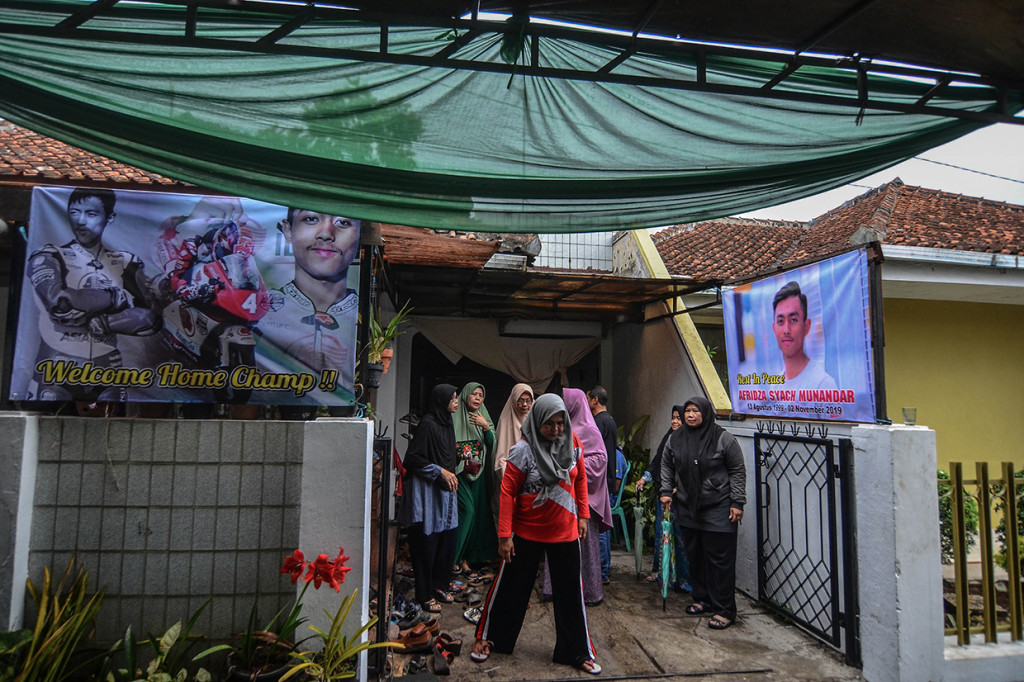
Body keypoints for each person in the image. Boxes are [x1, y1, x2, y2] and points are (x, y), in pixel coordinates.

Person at [470, 394, 601, 675]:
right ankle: (492, 638)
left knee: (570, 595)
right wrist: (505, 535)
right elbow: (507, 492)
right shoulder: (523, 450)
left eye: (560, 423)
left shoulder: (573, 443)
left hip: (564, 532)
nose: (555, 430)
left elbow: (580, 480)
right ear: (536, 421)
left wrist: (584, 515)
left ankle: (577, 651)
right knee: (511, 589)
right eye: (548, 424)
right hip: (526, 532)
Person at [27, 187, 161, 403]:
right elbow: (60, 303)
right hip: (56, 367)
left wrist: (107, 322)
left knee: (116, 433)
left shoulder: (126, 262)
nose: (81, 221)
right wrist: (115, 298)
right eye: (74, 212)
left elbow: (150, 319)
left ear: (110, 217)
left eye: (91, 214)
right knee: (46, 428)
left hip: (108, 368)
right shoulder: (49, 255)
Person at [256, 208, 362, 407]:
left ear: (359, 234)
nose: (326, 234)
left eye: (343, 223)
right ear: (288, 230)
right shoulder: (260, 312)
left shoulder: (364, 317)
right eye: (311, 219)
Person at [660, 396, 745, 630]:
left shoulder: (722, 438)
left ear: (706, 413)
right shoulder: (675, 438)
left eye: (696, 411)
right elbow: (667, 464)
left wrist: (737, 501)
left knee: (719, 561)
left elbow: (737, 469)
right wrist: (666, 490)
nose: (690, 415)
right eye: (687, 411)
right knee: (695, 556)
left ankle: (725, 609)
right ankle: (703, 599)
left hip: (718, 507)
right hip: (688, 507)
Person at [543, 388, 612, 606]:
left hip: (582, 502)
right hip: (559, 500)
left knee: (584, 547)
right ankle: (554, 589)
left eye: (565, 402)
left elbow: (600, 460)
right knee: (556, 545)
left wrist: (569, 466)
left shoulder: (589, 429)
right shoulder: (560, 428)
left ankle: (589, 592)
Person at [397, 384, 460, 613]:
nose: (455, 401)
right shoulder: (428, 424)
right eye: (452, 398)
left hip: (446, 493)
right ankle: (424, 594)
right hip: (427, 495)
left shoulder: (447, 422)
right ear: (441, 400)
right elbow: (412, 459)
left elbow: (446, 454)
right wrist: (440, 471)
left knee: (447, 541)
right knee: (427, 544)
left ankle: (440, 586)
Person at [636, 405, 690, 590]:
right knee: (662, 537)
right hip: (664, 496)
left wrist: (679, 488)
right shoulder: (669, 438)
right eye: (673, 417)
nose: (675, 421)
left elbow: (692, 471)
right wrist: (645, 478)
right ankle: (662, 575)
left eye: (679, 418)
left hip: (681, 502)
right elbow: (658, 462)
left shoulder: (690, 442)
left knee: (679, 540)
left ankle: (682, 580)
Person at [452, 382, 498, 578]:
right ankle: (453, 559)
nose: (478, 398)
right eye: (474, 394)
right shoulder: (454, 415)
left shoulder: (483, 416)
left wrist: (486, 428)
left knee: (477, 516)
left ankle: (468, 559)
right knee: (467, 513)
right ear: (466, 396)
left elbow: (493, 443)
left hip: (478, 473)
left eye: (481, 395)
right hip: (460, 473)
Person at [772, 281, 837, 391]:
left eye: (793, 320)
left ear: (806, 326)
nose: (786, 330)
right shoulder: (775, 386)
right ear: (774, 328)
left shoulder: (823, 385)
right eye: (781, 321)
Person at [588, 385, 619, 583]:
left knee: (599, 528)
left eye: (588, 398)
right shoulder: (610, 420)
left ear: (595, 400)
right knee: (603, 527)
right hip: (607, 478)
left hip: (600, 480)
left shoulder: (599, 422)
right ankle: (603, 571)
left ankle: (601, 572)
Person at [491, 383, 535, 518]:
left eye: (528, 400)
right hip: (511, 480)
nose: (525, 405)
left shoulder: (536, 420)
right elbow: (500, 459)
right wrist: (514, 480)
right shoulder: (506, 421)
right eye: (520, 400)